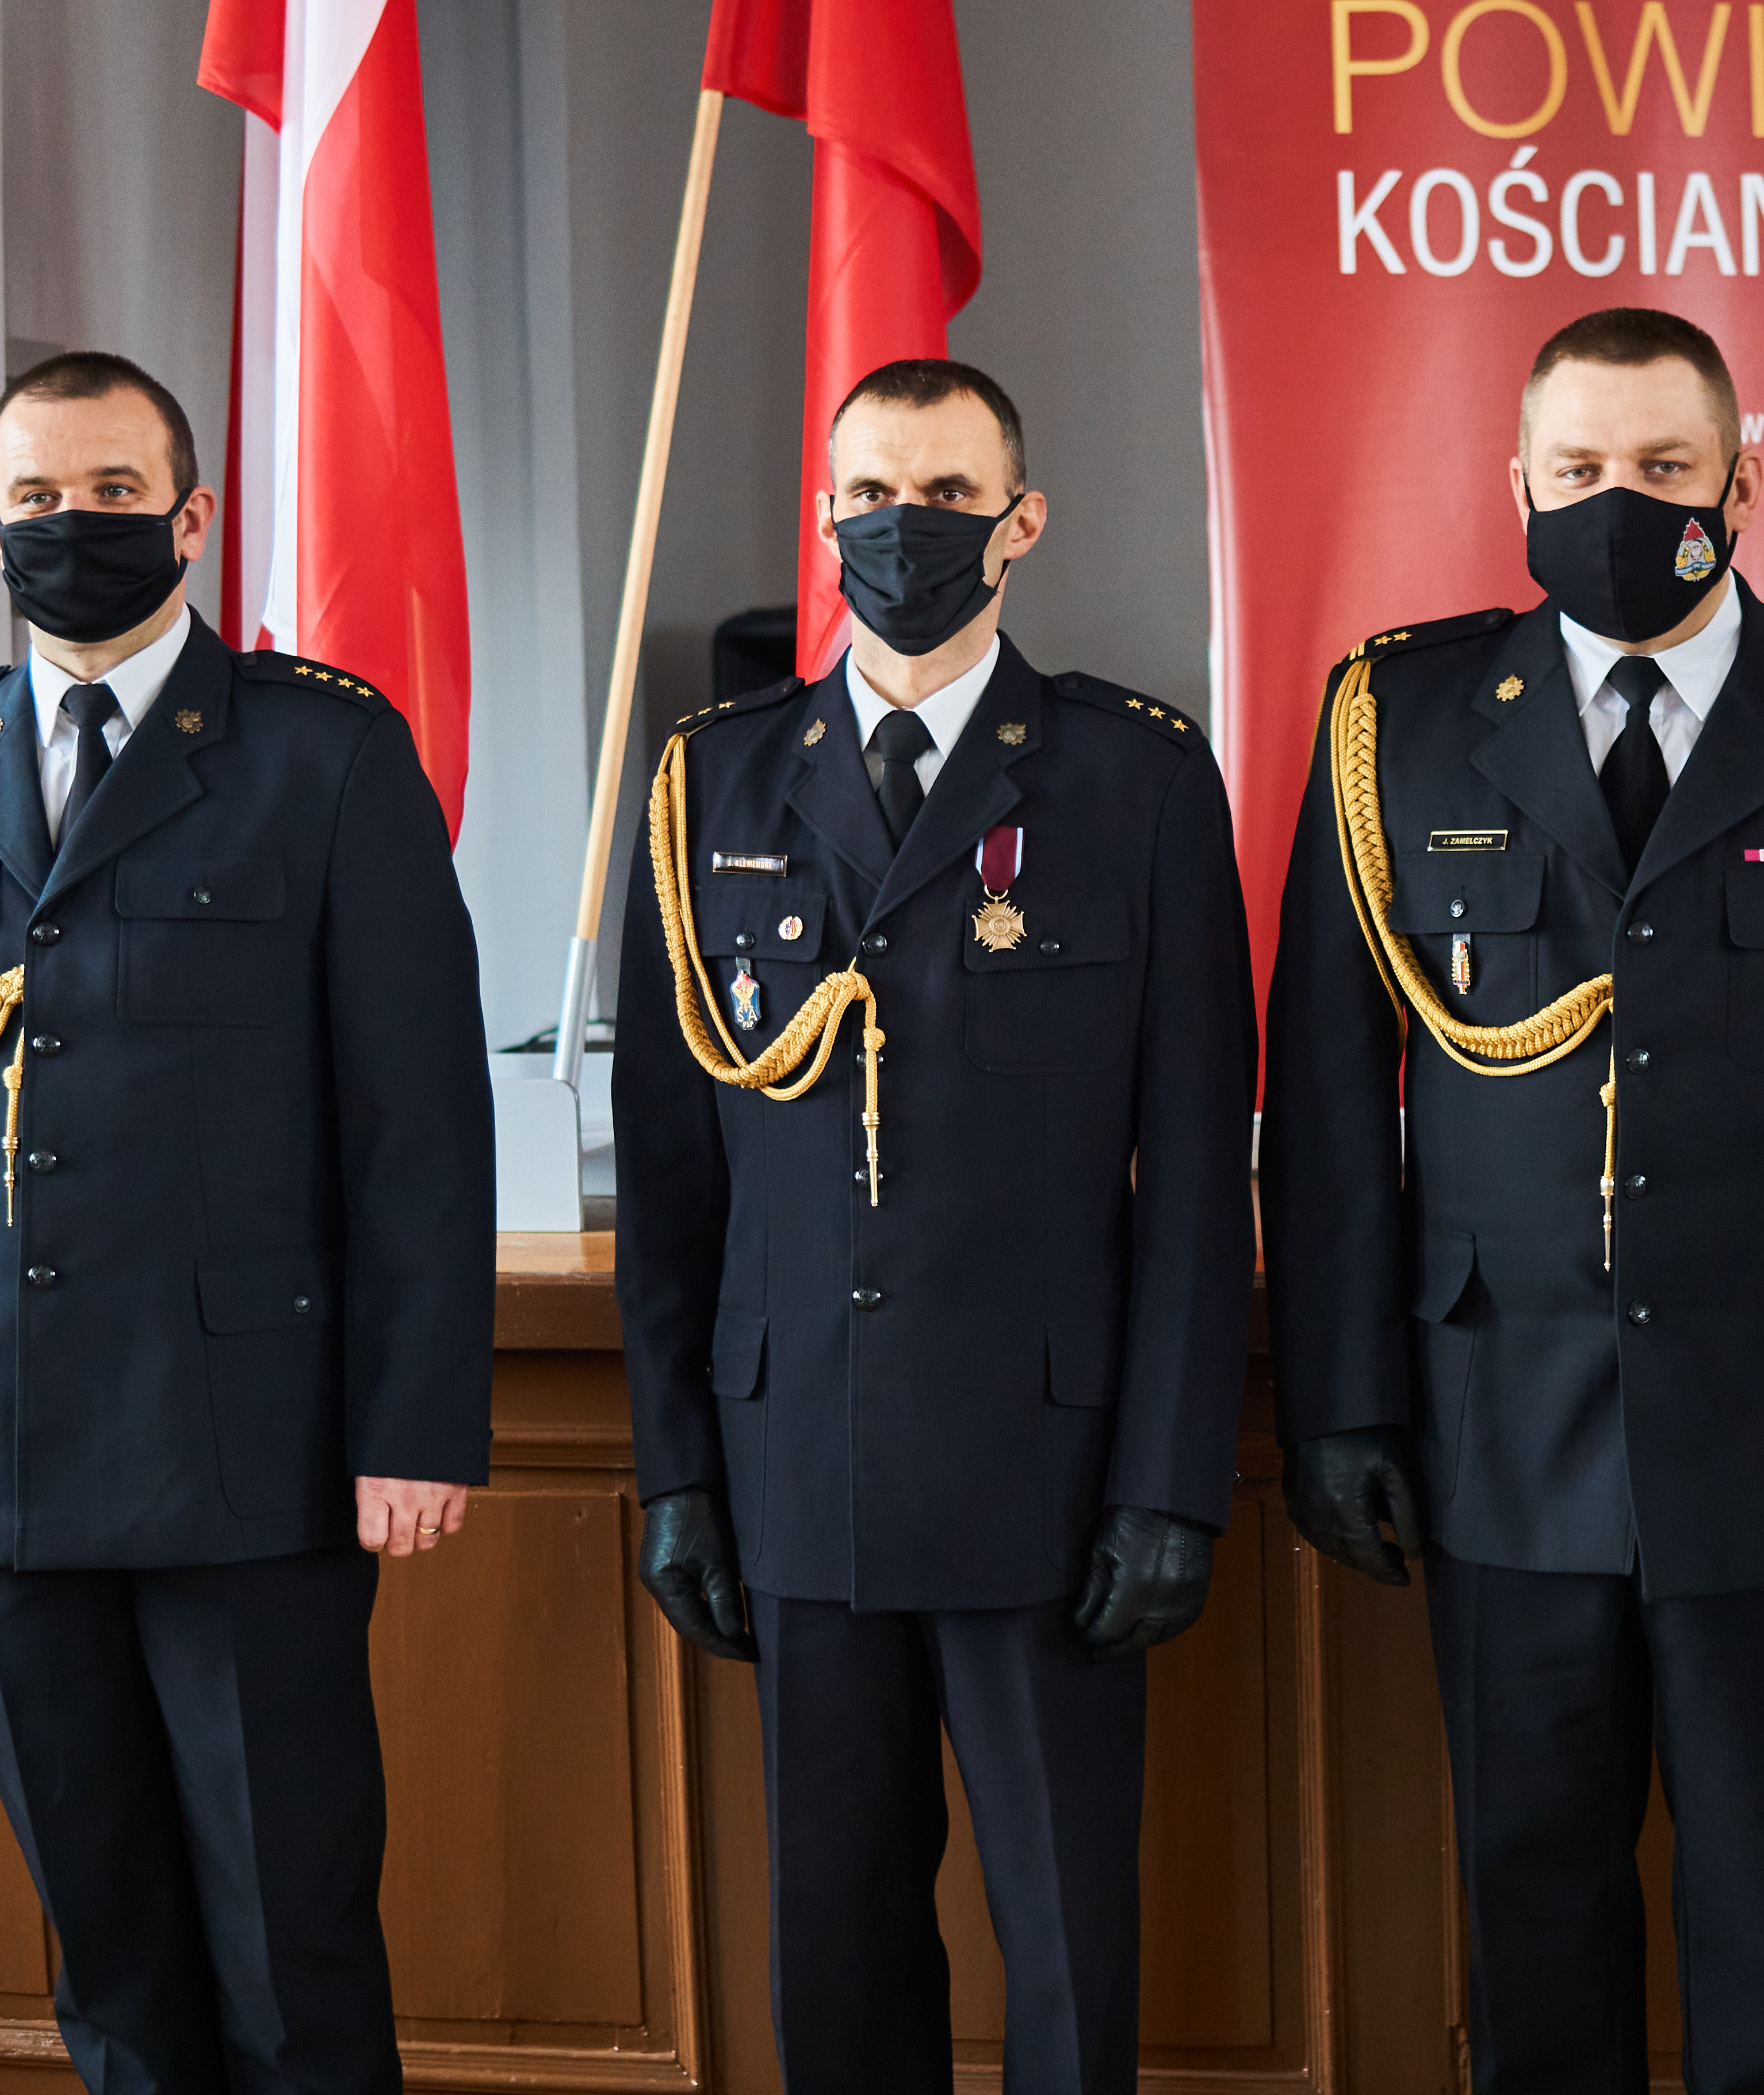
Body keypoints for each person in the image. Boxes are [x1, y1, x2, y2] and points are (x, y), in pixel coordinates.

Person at [1260, 308, 1764, 2093]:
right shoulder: (1399, 722)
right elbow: (1328, 1103)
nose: (1623, 500)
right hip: (1498, 1429)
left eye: (1668, 467)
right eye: (1584, 468)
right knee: (1534, 1936)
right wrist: (1343, 1400)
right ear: (1519, 485)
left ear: (1742, 487)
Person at [0, 351, 496, 2093]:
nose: (75, 525)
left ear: (193, 518)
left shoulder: (324, 751)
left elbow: (420, 1126)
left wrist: (415, 1424)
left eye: (115, 493)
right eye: (38, 499)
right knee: (107, 1957)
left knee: (291, 1956)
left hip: (248, 1450)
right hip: (1, 1442)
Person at [614, 357, 1255, 2095]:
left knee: (1069, 1956)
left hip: (1051, 1481)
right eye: (876, 496)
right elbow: (671, 1181)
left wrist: (1169, 1485)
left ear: (1022, 522)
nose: (910, 528)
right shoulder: (711, 786)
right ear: (826, 519)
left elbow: (1199, 1174)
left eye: (953, 497)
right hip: (796, 1468)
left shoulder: (1134, 780)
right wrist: (677, 1472)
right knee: (836, 1959)